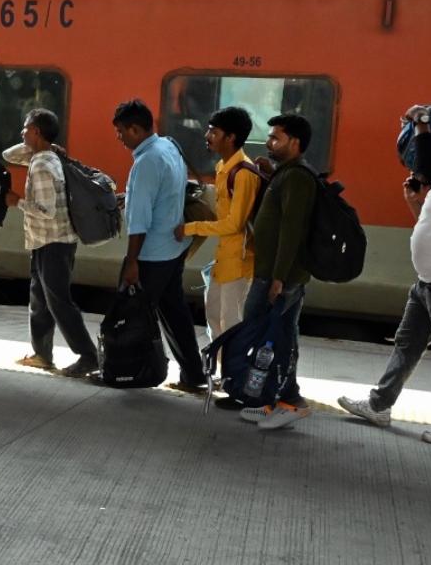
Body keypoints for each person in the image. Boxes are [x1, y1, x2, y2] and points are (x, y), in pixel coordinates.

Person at [338, 105, 431, 447]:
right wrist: (414, 202)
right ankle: (380, 405)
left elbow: (429, 163)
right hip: (428, 282)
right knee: (406, 346)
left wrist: (423, 124)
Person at [113, 99, 206, 392]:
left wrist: (131, 262)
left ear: (136, 129)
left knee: (130, 315)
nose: (119, 138)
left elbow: (139, 222)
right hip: (173, 249)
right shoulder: (168, 146)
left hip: (151, 254)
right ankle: (193, 374)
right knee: (174, 312)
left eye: (121, 132)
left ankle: (130, 371)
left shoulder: (145, 162)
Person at [3, 108, 100, 377]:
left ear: (36, 131)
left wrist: (17, 202)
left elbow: (46, 209)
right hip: (44, 242)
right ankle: (42, 354)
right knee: (41, 300)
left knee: (58, 301)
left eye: (26, 128)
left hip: (54, 243)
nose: (22, 132)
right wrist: (39, 144)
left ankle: (88, 355)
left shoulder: (44, 165)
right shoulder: (42, 156)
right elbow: (7, 155)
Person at [238, 113, 316, 430]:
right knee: (281, 336)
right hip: (275, 274)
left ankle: (286, 402)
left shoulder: (297, 177)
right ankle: (277, 399)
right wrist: (269, 175)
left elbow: (292, 230)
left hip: (278, 277)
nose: (269, 142)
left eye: (275, 138)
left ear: (294, 143)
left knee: (269, 336)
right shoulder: (287, 174)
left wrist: (279, 278)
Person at [174, 107, 258, 341]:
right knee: (214, 321)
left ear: (230, 137)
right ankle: (221, 375)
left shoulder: (243, 174)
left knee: (231, 325)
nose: (207, 136)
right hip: (223, 260)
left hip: (240, 265)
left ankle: (232, 376)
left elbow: (233, 224)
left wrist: (191, 227)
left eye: (213, 132)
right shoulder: (224, 168)